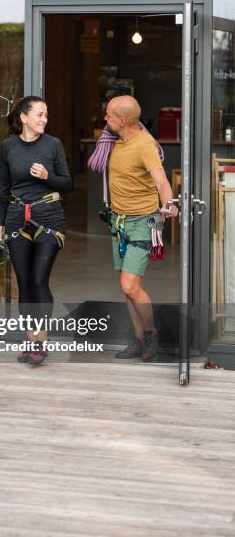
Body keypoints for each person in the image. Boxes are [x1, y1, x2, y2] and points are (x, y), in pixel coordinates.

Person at [92, 95, 178, 362]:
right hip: (119, 222)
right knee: (128, 287)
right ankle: (139, 340)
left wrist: (170, 205)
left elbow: (162, 182)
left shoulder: (144, 145)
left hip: (145, 222)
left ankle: (152, 332)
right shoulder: (113, 142)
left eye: (108, 115)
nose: (104, 119)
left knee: (129, 285)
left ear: (123, 119)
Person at [0, 96, 71, 365]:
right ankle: (29, 341)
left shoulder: (53, 145)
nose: (44, 120)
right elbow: (3, 189)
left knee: (38, 279)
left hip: (48, 217)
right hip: (16, 219)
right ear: (23, 118)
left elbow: (67, 184)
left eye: (46, 115)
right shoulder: (8, 147)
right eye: (39, 115)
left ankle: (41, 342)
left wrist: (48, 177)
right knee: (24, 283)